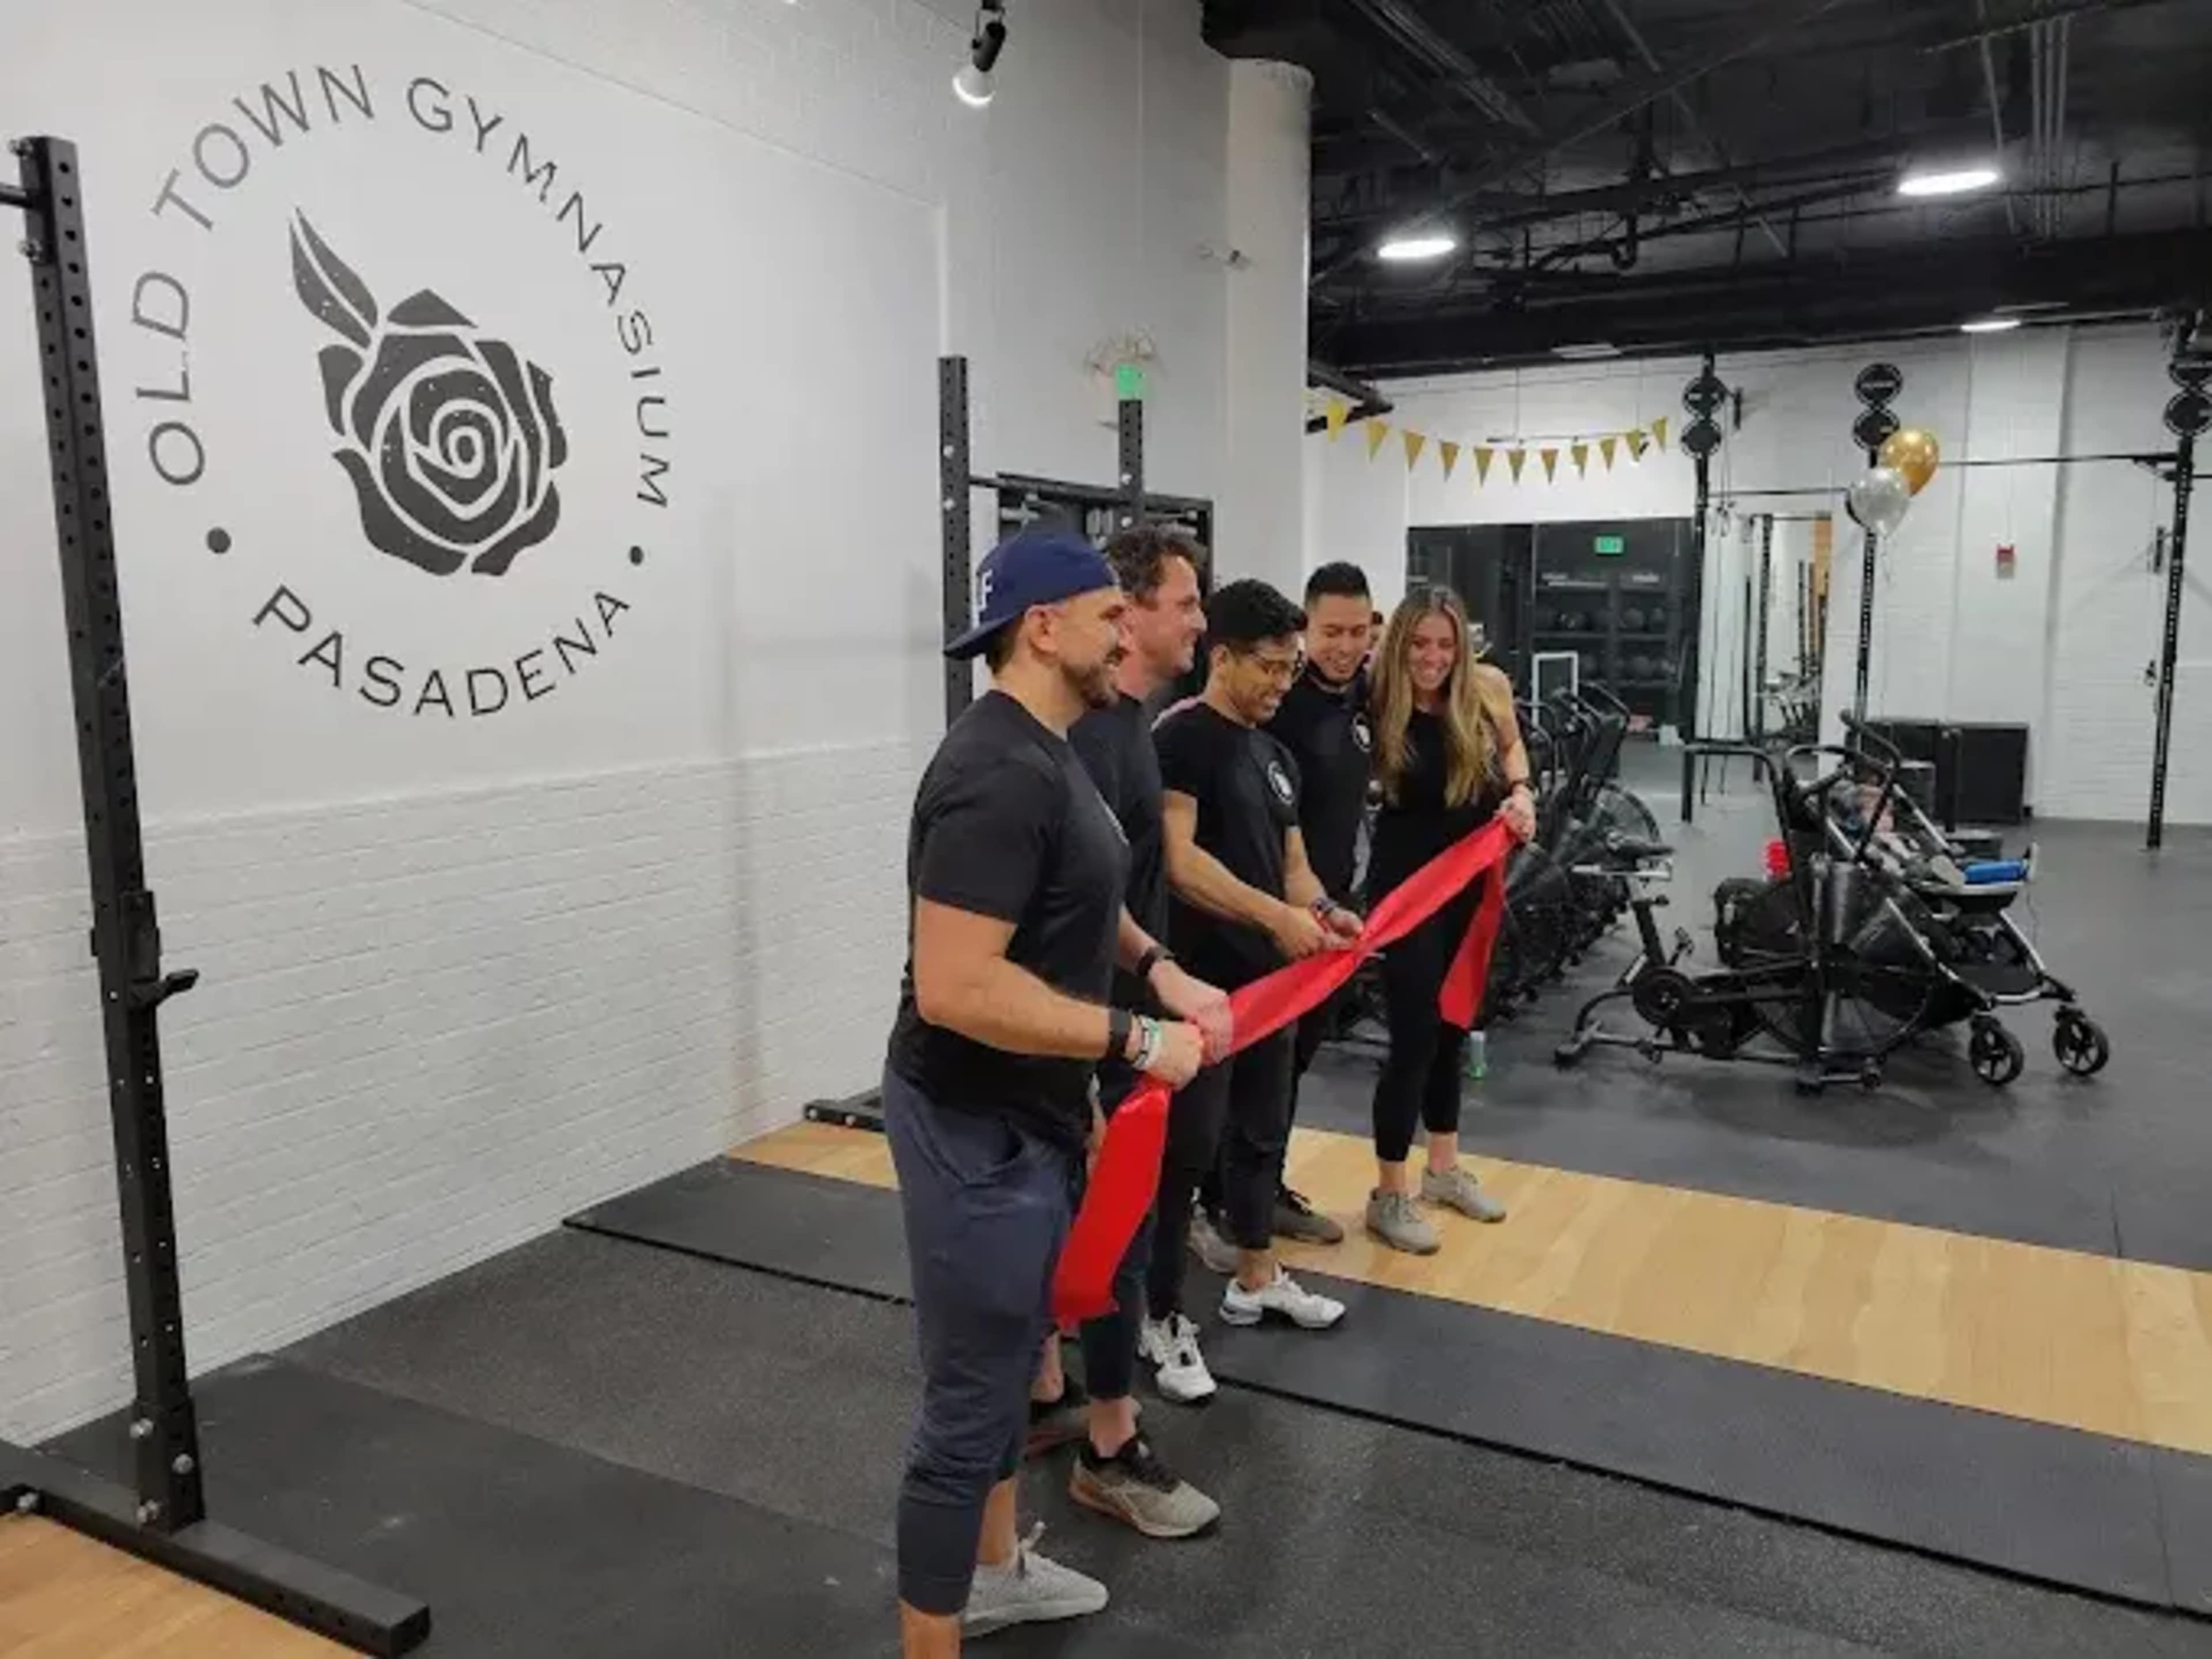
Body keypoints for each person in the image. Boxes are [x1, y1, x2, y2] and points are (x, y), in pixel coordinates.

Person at [883, 523, 1222, 1654]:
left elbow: (1086, 895)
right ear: (1044, 627)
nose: (1127, 629)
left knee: (1015, 1348)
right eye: (1108, 614)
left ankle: (992, 1575)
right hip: (969, 1123)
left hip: (1028, 1113)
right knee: (970, 1401)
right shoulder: (990, 772)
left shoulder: (1057, 749)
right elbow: (955, 986)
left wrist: (1157, 965)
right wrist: (1133, 1042)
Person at [1024, 523, 1224, 1538]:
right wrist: (1110, 1058)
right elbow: (1060, 916)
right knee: (1117, 1234)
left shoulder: (1128, 727)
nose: (1199, 619)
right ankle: (1109, 1443)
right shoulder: (1083, 741)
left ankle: (1048, 1380)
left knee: (1092, 1229)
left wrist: (1165, 975)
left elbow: (1116, 902)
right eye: (1183, 602)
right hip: (1088, 1036)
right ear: (1130, 611)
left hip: (1123, 1023)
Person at [1145, 578, 1354, 1395]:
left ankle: (1256, 1279)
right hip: (1199, 991)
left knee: (1265, 1132)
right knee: (1184, 1153)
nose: (1280, 684)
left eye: (1290, 669)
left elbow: (1297, 868)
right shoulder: (1179, 740)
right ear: (1221, 657)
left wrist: (1330, 912)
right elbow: (1179, 858)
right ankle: (1157, 1313)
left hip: (1274, 988)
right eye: (1267, 668)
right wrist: (1274, 918)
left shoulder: (1276, 755)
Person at [1361, 586, 1537, 1256]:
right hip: (1408, 889)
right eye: (1419, 644)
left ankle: (1442, 1169)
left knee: (1453, 1024)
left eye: (1445, 644)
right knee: (1412, 1037)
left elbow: (1514, 753)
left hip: (1470, 882)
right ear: (1400, 642)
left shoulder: (1486, 688)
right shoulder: (1379, 700)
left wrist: (1522, 793)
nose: (1432, 658)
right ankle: (1389, 1194)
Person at [1255, 560, 1378, 1248]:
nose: (1344, 644)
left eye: (1358, 631)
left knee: (1299, 1058)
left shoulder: (1363, 694)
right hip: (1280, 916)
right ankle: (1234, 1199)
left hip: (1336, 912)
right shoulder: (1282, 705)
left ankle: (1264, 1186)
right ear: (1306, 629)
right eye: (1331, 630)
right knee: (1263, 1066)